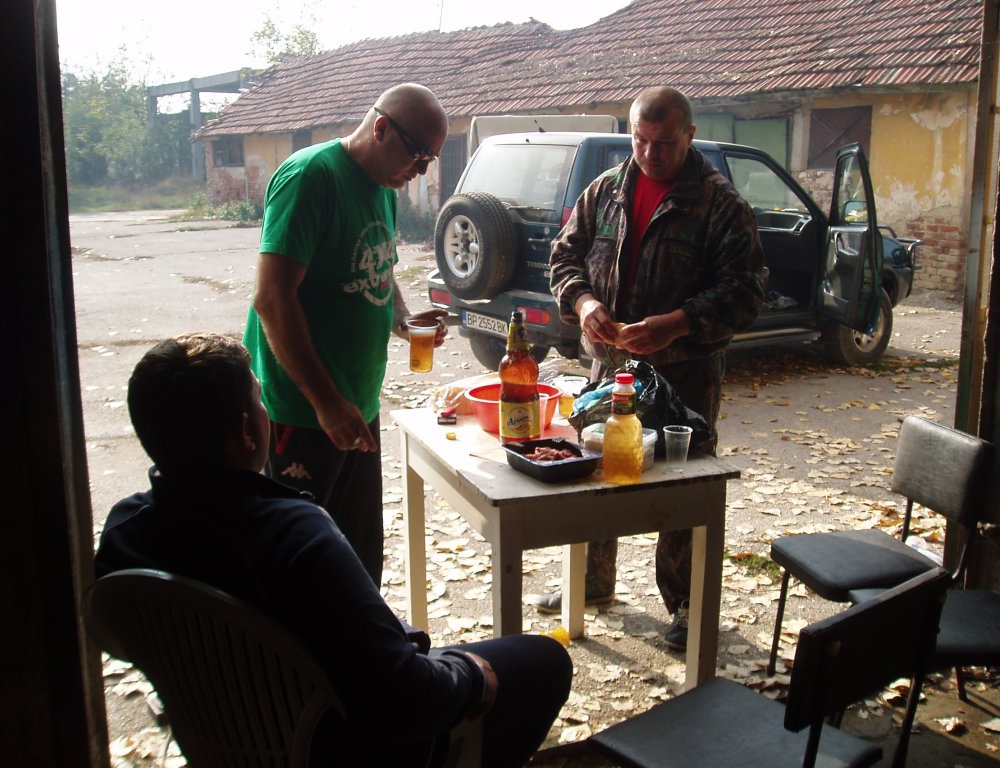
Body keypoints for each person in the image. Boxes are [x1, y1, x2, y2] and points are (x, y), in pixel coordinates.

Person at [95, 334, 572, 768]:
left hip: (219, 734)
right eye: (259, 398)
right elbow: (402, 699)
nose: (265, 409)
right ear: (246, 432)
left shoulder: (125, 533)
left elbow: (113, 630)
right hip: (333, 744)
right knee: (544, 661)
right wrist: (468, 674)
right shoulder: (292, 535)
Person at [546, 86, 765, 650]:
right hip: (610, 369)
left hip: (684, 374)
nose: (649, 154)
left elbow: (746, 292)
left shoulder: (720, 204)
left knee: (682, 488)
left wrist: (678, 323)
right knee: (598, 473)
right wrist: (584, 304)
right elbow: (564, 257)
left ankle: (686, 603)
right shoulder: (607, 191)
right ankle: (591, 579)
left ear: (690, 135)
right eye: (640, 141)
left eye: (663, 143)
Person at [244, 83, 450, 587]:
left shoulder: (383, 188)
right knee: (301, 572)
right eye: (419, 154)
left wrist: (403, 321)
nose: (421, 170)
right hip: (303, 411)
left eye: (430, 159)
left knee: (357, 560)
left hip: (356, 404)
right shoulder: (311, 177)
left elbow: (381, 268)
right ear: (381, 128)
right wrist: (325, 402)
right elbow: (272, 299)